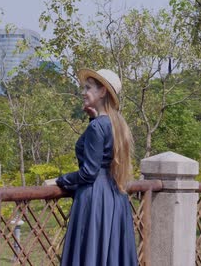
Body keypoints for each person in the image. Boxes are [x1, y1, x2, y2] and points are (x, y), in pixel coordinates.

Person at [55, 68, 138, 266]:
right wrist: (93, 119)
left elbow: (89, 172)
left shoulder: (97, 126)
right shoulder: (117, 123)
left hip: (94, 200)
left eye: (88, 87)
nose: (83, 92)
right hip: (114, 197)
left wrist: (60, 180)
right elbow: (102, 156)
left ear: (102, 92)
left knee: (91, 254)